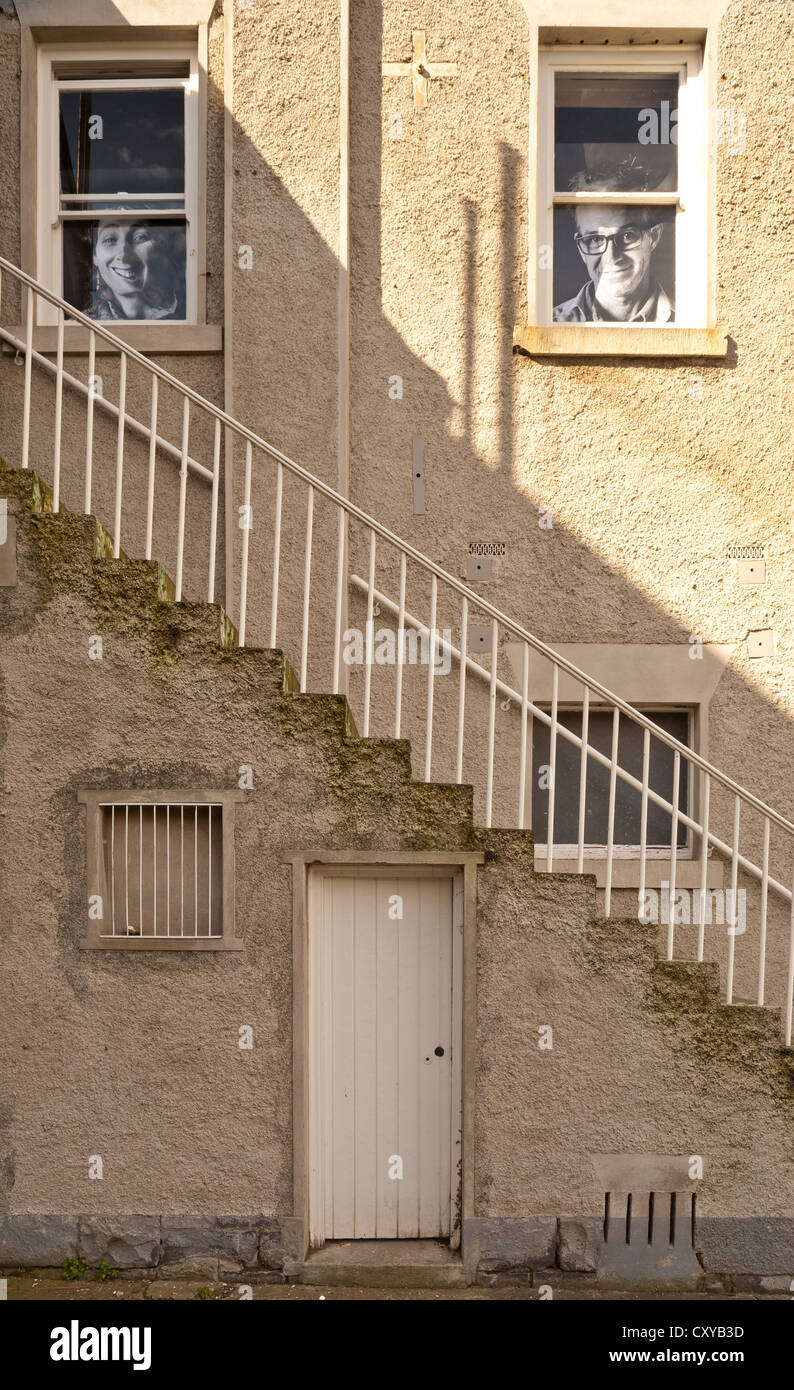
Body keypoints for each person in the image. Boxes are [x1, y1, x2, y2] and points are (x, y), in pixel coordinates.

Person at [553, 171, 674, 324]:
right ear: (580, 248)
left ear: (654, 236)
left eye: (627, 236)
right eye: (595, 239)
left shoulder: (687, 321)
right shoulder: (552, 323)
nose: (611, 258)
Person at [89, 221, 186, 320]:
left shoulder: (188, 314)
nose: (125, 257)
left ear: (160, 247)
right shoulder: (81, 324)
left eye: (139, 237)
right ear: (95, 256)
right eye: (110, 240)